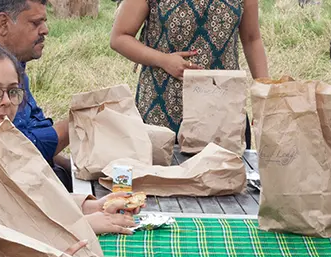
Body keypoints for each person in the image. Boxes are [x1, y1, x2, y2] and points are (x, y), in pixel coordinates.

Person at [0, 41, 141, 235]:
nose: (6, 102)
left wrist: (90, 206)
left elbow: (27, 198)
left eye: (12, 91)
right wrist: (83, 225)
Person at [109, 0, 269, 163]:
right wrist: (163, 60)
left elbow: (252, 39)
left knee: (227, 181)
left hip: (222, 111)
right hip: (163, 111)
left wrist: (264, 98)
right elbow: (120, 37)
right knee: (161, 182)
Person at [0, 0, 75, 192]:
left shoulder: (7, 61)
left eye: (44, 21)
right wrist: (77, 123)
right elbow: (18, 150)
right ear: (3, 23)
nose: (45, 30)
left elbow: (24, 131)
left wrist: (68, 167)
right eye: (35, 23)